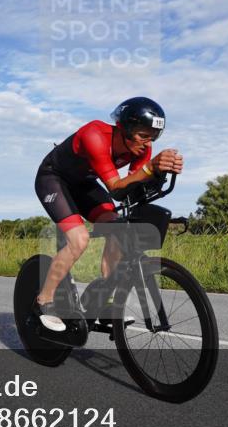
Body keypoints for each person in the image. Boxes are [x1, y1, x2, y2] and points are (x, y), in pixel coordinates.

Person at [33, 97, 183, 331]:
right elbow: (115, 188)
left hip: (85, 184)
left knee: (118, 229)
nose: (147, 143)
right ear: (125, 128)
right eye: (143, 136)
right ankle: (44, 300)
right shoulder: (94, 135)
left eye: (153, 137)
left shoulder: (143, 149)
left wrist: (158, 174)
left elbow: (131, 189)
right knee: (79, 239)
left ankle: (104, 301)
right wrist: (149, 168)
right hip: (54, 180)